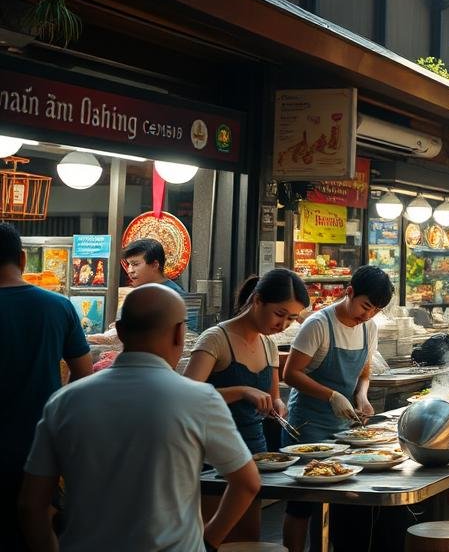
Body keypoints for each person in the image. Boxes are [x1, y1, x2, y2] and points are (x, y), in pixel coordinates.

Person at [20, 284, 260, 550]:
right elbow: (248, 483)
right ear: (180, 333)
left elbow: (32, 504)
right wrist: (208, 542)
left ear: (120, 332)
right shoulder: (199, 400)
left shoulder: (65, 401)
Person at [184, 268, 307, 542]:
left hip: (255, 456)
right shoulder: (216, 339)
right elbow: (186, 396)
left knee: (248, 542)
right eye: (279, 314)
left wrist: (276, 405)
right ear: (258, 300)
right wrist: (241, 391)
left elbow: (273, 396)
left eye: (291, 319)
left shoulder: (269, 346)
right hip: (212, 459)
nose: (283, 325)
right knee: (214, 539)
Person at [281, 265, 392, 552]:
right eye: (365, 306)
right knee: (302, 505)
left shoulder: (369, 328)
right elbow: (291, 374)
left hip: (344, 430)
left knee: (338, 501)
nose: (367, 315)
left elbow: (364, 370)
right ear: (350, 292)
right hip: (308, 426)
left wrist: (362, 396)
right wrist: (331, 395)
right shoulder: (318, 324)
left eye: (376, 310)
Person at [1, 223, 92, 550]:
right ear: (23, 259)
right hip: (41, 446)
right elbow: (84, 374)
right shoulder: (58, 307)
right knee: (37, 528)